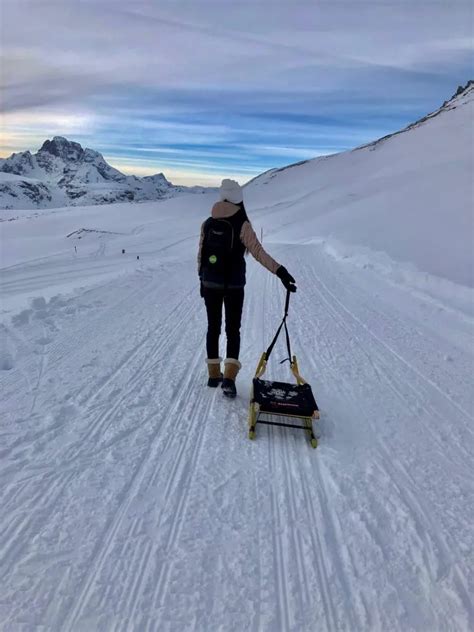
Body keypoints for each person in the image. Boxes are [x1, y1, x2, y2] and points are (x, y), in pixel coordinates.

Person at [197, 178, 296, 398]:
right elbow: (258, 253)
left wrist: (201, 279)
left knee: (213, 327)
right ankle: (229, 380)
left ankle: (214, 375)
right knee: (233, 330)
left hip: (210, 283)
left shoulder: (208, 222)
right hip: (233, 285)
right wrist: (280, 272)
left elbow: (201, 254)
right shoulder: (242, 223)